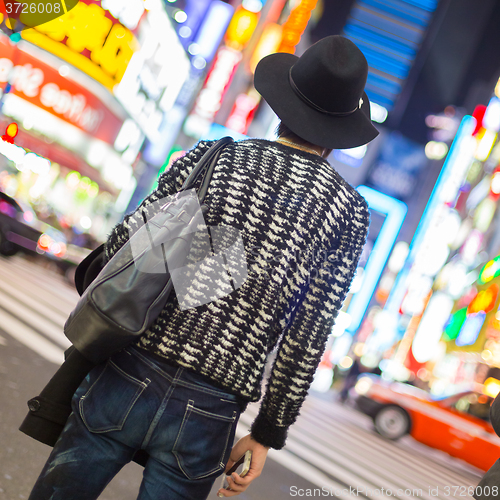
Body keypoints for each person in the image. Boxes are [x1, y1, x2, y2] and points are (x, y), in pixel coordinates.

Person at [27, 35, 378, 500]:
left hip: (133, 364)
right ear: (341, 131)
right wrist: (268, 433)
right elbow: (307, 336)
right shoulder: (347, 214)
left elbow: (125, 245)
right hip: (212, 408)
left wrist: (202, 267)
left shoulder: (218, 157)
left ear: (284, 105)